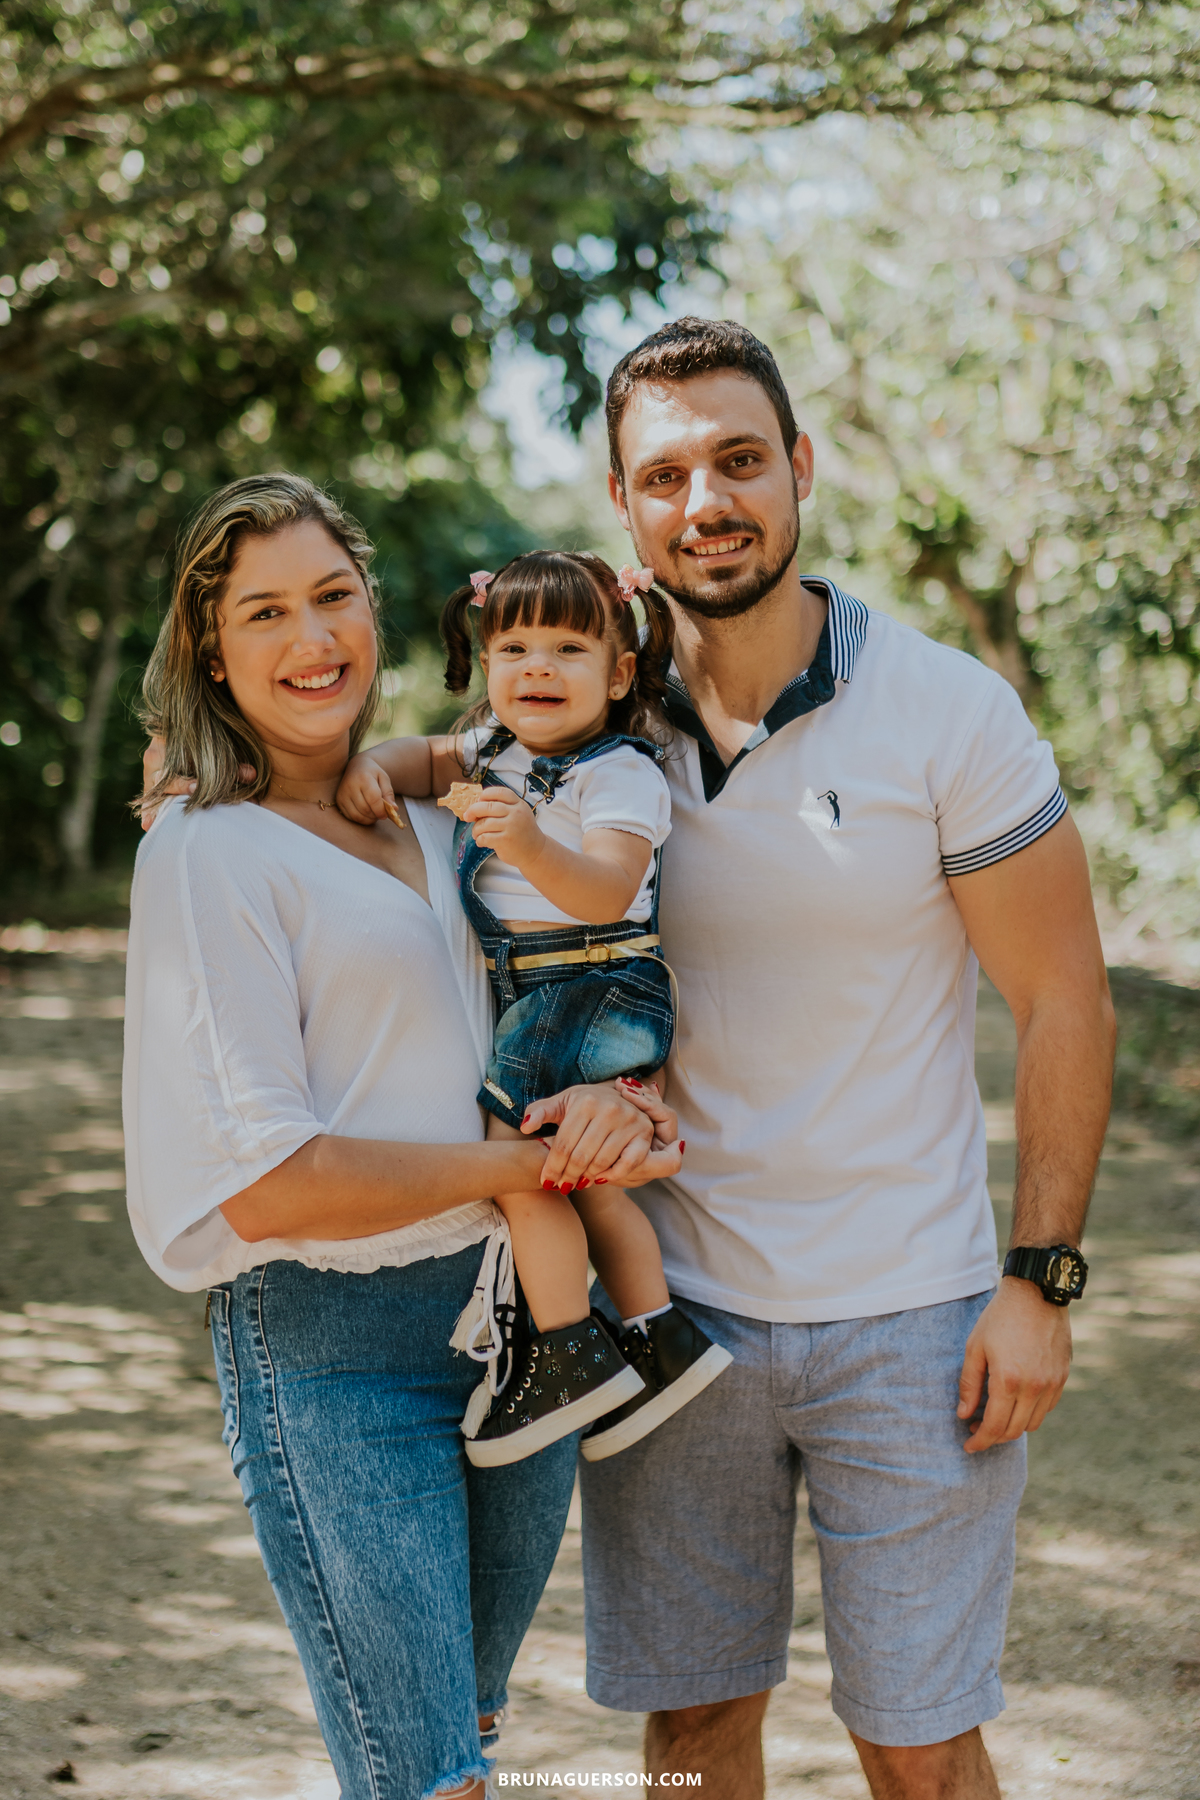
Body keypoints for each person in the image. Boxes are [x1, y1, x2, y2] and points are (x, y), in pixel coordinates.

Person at [574, 319, 1115, 1800]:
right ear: (626, 510)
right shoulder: (578, 724)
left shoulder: (946, 708)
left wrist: (1039, 1280)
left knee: (920, 1743)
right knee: (688, 1747)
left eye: (741, 461)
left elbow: (1063, 997)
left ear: (799, 468)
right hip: (670, 1318)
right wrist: (209, 784)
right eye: (667, 474)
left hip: (915, 1323)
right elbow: (391, 792)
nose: (709, 501)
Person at [124, 474, 683, 1800]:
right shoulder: (205, 851)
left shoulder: (446, 811)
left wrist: (614, 1097)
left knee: (468, 1741)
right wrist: (542, 1167)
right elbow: (271, 1185)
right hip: (336, 1354)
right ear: (214, 651)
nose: (311, 638)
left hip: (520, 1327)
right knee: (428, 1774)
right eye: (265, 612)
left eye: (333, 596)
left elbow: (570, 977)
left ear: (376, 610)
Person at [336, 549, 732, 1467]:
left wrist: (524, 844)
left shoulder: (620, 772)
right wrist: (376, 768)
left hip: (597, 980)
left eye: (565, 648)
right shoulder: (493, 751)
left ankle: (562, 1351)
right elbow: (429, 755)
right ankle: (656, 1338)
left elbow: (607, 890)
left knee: (514, 1163)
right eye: (512, 648)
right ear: (484, 663)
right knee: (580, 1179)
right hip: (559, 992)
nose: (537, 668)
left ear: (619, 671)